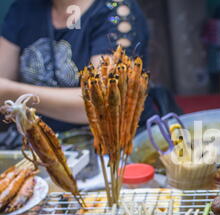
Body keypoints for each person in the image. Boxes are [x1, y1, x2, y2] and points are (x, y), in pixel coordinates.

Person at [0, 0, 149, 132]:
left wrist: (12, 92)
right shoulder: (24, 9)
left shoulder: (116, 12)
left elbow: (102, 104)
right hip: (36, 141)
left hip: (105, 145)